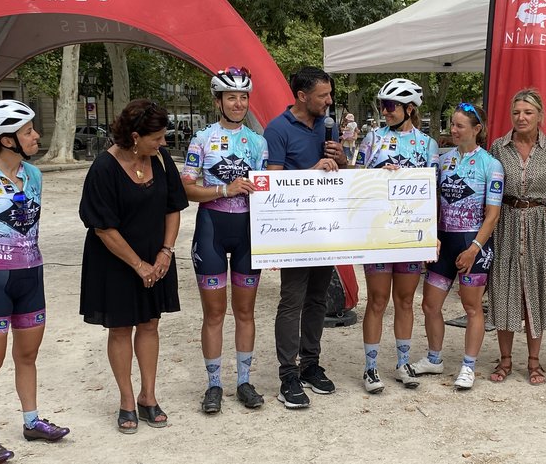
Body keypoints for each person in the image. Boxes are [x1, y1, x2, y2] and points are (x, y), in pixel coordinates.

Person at [0, 100, 68, 462]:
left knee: (28, 354)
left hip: (31, 274)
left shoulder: (33, 175)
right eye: (27, 132)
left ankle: (32, 421)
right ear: (6, 140)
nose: (36, 136)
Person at [79, 99, 188, 434]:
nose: (163, 143)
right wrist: (139, 265)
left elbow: (173, 207)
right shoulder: (104, 167)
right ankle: (127, 400)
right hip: (115, 261)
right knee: (122, 328)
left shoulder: (162, 160)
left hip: (156, 257)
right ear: (135, 135)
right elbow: (102, 227)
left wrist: (165, 253)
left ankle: (148, 395)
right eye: (156, 138)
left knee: (151, 324)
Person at [181, 67, 269, 413]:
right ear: (218, 100)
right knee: (214, 314)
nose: (238, 103)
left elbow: (268, 189)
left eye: (243, 97)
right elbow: (187, 188)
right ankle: (214, 384)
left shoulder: (258, 141)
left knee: (245, 311)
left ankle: (244, 381)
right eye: (231, 97)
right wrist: (223, 189)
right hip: (211, 230)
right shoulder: (201, 139)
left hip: (249, 232)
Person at [263, 66, 348, 409]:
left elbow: (339, 172)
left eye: (329, 94)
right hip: (292, 230)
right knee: (292, 300)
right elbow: (272, 180)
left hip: (325, 226)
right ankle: (288, 374)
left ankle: (311, 364)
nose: (329, 101)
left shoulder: (329, 126)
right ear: (301, 96)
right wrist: (313, 171)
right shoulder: (277, 129)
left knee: (318, 299)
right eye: (322, 96)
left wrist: (342, 159)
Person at [355, 78, 439, 393]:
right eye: (382, 106)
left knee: (404, 300)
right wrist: (377, 175)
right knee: (377, 300)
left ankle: (403, 362)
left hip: (409, 233)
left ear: (409, 109)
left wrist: (431, 234)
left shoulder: (427, 144)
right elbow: (355, 180)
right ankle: (370, 368)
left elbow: (432, 192)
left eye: (390, 106)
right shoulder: (372, 138)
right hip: (377, 232)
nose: (385, 112)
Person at [418, 102, 503, 390]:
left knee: (471, 307)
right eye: (451, 124)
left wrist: (474, 248)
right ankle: (434, 358)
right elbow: (430, 200)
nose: (453, 130)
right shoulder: (444, 161)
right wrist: (432, 234)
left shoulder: (491, 164)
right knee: (430, 305)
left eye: (459, 126)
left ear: (477, 130)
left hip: (472, 243)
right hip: (444, 241)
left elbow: (493, 215)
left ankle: (468, 366)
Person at [486, 88, 546, 386]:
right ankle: (505, 359)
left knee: (534, 287)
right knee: (505, 288)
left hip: (538, 224)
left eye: (528, 112)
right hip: (505, 221)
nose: (521, 118)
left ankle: (534, 361)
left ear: (540, 116)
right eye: (517, 112)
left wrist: (535, 204)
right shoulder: (498, 147)